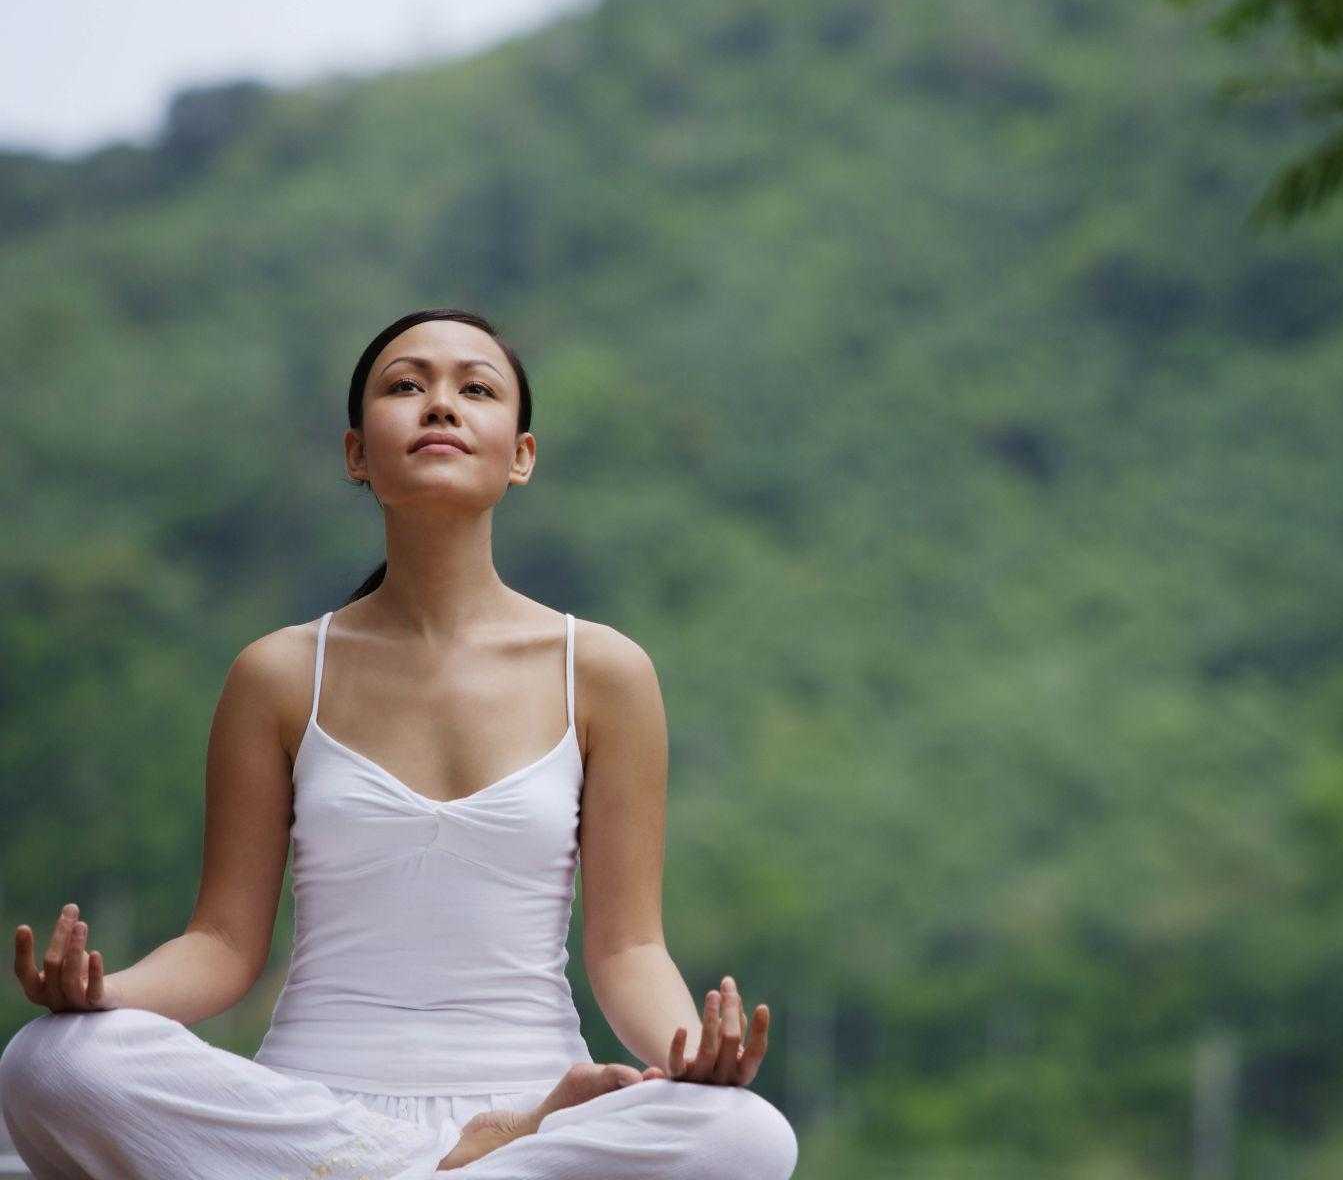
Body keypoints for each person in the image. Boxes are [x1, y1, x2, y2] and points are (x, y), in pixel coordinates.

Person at [0, 308, 800, 1179]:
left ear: (521, 455)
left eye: (476, 389)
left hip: (542, 1104)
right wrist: (106, 999)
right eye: (406, 385)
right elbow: (225, 944)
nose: (441, 405)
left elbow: (627, 950)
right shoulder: (277, 675)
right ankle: (441, 1162)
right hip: (314, 1112)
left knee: (746, 1136)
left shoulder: (602, 672)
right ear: (356, 453)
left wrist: (693, 1058)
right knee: (50, 1062)